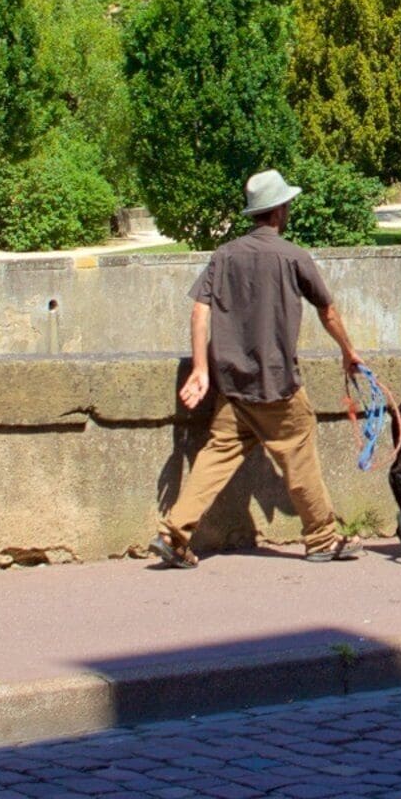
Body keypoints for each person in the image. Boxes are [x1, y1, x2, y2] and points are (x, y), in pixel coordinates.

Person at [153, 169, 366, 567]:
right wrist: (348, 352)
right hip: (278, 384)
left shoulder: (225, 255)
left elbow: (200, 311)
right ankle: (321, 537)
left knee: (216, 455)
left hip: (232, 386)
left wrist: (201, 369)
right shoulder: (292, 256)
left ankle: (173, 534)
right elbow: (328, 310)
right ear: (280, 210)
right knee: (299, 452)